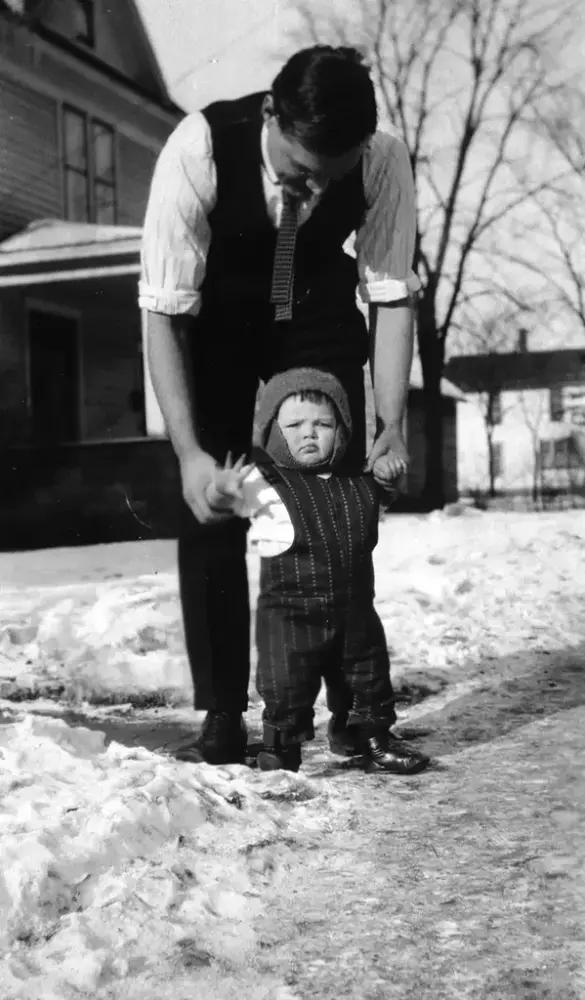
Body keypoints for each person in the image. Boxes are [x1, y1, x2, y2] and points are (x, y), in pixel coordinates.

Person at [139, 45, 420, 766]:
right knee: (215, 501)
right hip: (220, 321)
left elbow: (390, 295)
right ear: (271, 113)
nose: (315, 189)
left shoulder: (381, 159)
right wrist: (190, 452)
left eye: (331, 175)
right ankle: (223, 713)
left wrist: (391, 425)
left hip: (316, 313)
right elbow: (163, 310)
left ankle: (355, 712)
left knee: (334, 505)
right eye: (299, 171)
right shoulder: (198, 149)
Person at [203, 368, 430, 775]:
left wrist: (389, 475)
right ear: (273, 431)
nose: (309, 433)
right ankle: (281, 746)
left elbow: (385, 495)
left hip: (354, 615)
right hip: (290, 619)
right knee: (286, 684)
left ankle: (369, 736)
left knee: (367, 675)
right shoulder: (261, 483)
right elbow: (219, 504)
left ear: (341, 431)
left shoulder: (357, 484)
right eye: (294, 425)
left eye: (322, 424)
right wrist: (221, 488)